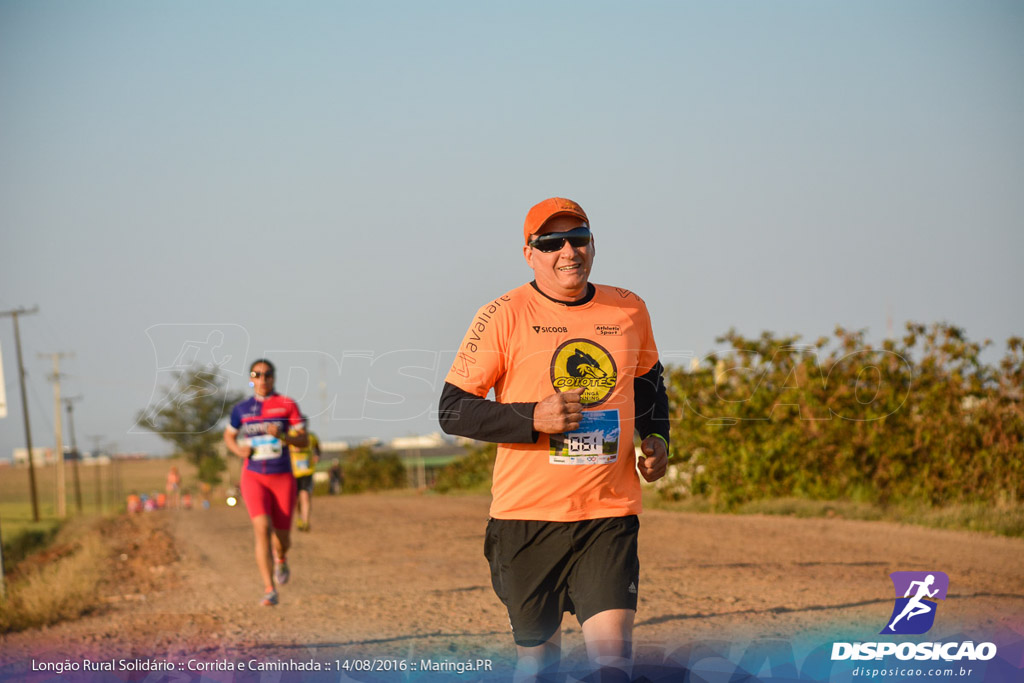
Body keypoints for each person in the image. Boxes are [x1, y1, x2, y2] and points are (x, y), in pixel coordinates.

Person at [438, 197, 670, 682]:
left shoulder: (628, 308)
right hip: (526, 519)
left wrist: (657, 438)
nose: (568, 251)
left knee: (613, 663)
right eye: (551, 242)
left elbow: (648, 383)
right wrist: (532, 417)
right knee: (540, 665)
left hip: (608, 513)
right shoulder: (502, 314)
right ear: (530, 253)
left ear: (591, 244)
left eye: (578, 238)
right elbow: (453, 409)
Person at [223, 359, 308, 606]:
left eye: (267, 375)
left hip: (282, 476)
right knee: (261, 528)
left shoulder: (286, 405)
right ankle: (269, 588)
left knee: (282, 539)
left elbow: (303, 440)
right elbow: (228, 435)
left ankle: (281, 559)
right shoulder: (242, 409)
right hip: (253, 476)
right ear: (251, 378)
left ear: (274, 378)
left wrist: (283, 436)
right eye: (257, 375)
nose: (262, 379)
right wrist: (238, 451)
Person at [290, 428, 320, 531]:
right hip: (293, 473)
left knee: (305, 496)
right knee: (296, 501)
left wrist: (317, 455)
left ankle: (305, 521)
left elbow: (318, 448)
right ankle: (299, 517)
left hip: (307, 472)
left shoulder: (311, 436)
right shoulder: (289, 436)